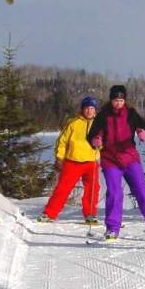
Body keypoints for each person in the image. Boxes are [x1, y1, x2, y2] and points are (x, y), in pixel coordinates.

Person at [88, 85, 145, 240]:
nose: (118, 103)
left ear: (125, 100)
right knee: (114, 193)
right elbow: (92, 135)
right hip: (110, 159)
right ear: (111, 100)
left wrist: (144, 133)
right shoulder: (103, 116)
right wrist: (95, 139)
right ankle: (112, 228)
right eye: (116, 100)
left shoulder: (131, 114)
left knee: (141, 190)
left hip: (129, 157)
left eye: (121, 100)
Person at [38, 96, 101, 225]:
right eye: (86, 108)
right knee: (63, 188)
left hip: (91, 161)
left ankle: (90, 214)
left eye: (92, 108)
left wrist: (100, 144)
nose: (89, 111)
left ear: (95, 111)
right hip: (73, 161)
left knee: (93, 189)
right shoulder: (73, 123)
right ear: (82, 109)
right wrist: (59, 158)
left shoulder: (100, 125)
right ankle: (49, 213)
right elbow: (62, 142)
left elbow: (105, 144)